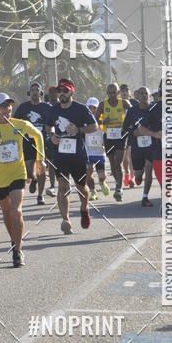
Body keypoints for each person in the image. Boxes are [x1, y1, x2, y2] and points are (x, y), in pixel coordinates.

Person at [0, 92, 44, 267]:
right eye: (3, 106)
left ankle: (18, 251)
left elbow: (38, 135)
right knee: (6, 213)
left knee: (16, 210)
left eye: (9, 106)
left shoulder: (20, 124)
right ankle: (14, 242)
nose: (7, 109)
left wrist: (40, 159)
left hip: (18, 174)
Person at [49, 78, 98, 234]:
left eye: (65, 90)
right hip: (60, 155)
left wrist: (79, 130)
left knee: (80, 186)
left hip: (78, 155)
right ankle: (66, 219)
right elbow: (49, 125)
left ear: (72, 92)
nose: (62, 93)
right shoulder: (53, 110)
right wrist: (52, 135)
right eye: (59, 91)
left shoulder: (81, 109)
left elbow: (94, 126)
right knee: (63, 185)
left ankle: (84, 208)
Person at [13, 81, 52, 205]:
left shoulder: (47, 107)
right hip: (27, 142)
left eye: (37, 90)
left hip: (42, 142)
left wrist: (52, 134)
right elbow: (14, 122)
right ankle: (33, 179)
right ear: (29, 93)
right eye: (32, 90)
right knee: (29, 171)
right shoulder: (23, 107)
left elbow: (53, 122)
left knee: (41, 168)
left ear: (41, 93)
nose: (35, 92)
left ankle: (40, 195)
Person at [96, 83, 131, 201]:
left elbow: (133, 112)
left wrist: (127, 124)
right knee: (112, 165)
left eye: (114, 93)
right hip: (109, 137)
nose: (112, 95)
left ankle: (118, 189)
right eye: (109, 93)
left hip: (120, 136)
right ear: (107, 93)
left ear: (118, 93)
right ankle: (118, 184)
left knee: (118, 163)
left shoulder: (124, 103)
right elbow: (95, 120)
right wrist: (103, 122)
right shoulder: (102, 104)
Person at [122, 87, 154, 207]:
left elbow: (160, 124)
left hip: (151, 146)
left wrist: (151, 132)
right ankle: (138, 176)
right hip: (137, 146)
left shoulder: (154, 109)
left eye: (146, 93)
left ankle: (145, 197)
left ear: (149, 96)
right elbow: (125, 127)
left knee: (149, 169)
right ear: (137, 96)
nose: (144, 95)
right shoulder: (132, 111)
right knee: (138, 174)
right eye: (142, 93)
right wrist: (133, 131)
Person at [85, 97, 111, 200]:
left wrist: (106, 143)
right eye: (90, 107)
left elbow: (108, 133)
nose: (92, 110)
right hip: (88, 152)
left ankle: (102, 182)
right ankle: (93, 191)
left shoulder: (103, 120)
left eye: (94, 108)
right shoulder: (84, 120)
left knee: (101, 175)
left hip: (100, 152)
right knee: (88, 173)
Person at [119, 84, 137, 187]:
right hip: (120, 132)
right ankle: (126, 173)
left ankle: (132, 177)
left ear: (130, 92)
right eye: (122, 91)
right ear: (119, 93)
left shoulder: (135, 103)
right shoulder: (116, 103)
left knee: (130, 154)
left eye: (126, 91)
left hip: (131, 132)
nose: (124, 92)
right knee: (123, 158)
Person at [45, 85, 60, 196]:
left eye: (55, 93)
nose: (53, 96)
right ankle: (52, 185)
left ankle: (65, 183)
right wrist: (50, 135)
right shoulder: (46, 107)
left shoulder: (62, 105)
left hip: (62, 138)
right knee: (50, 162)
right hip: (49, 138)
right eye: (51, 94)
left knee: (62, 162)